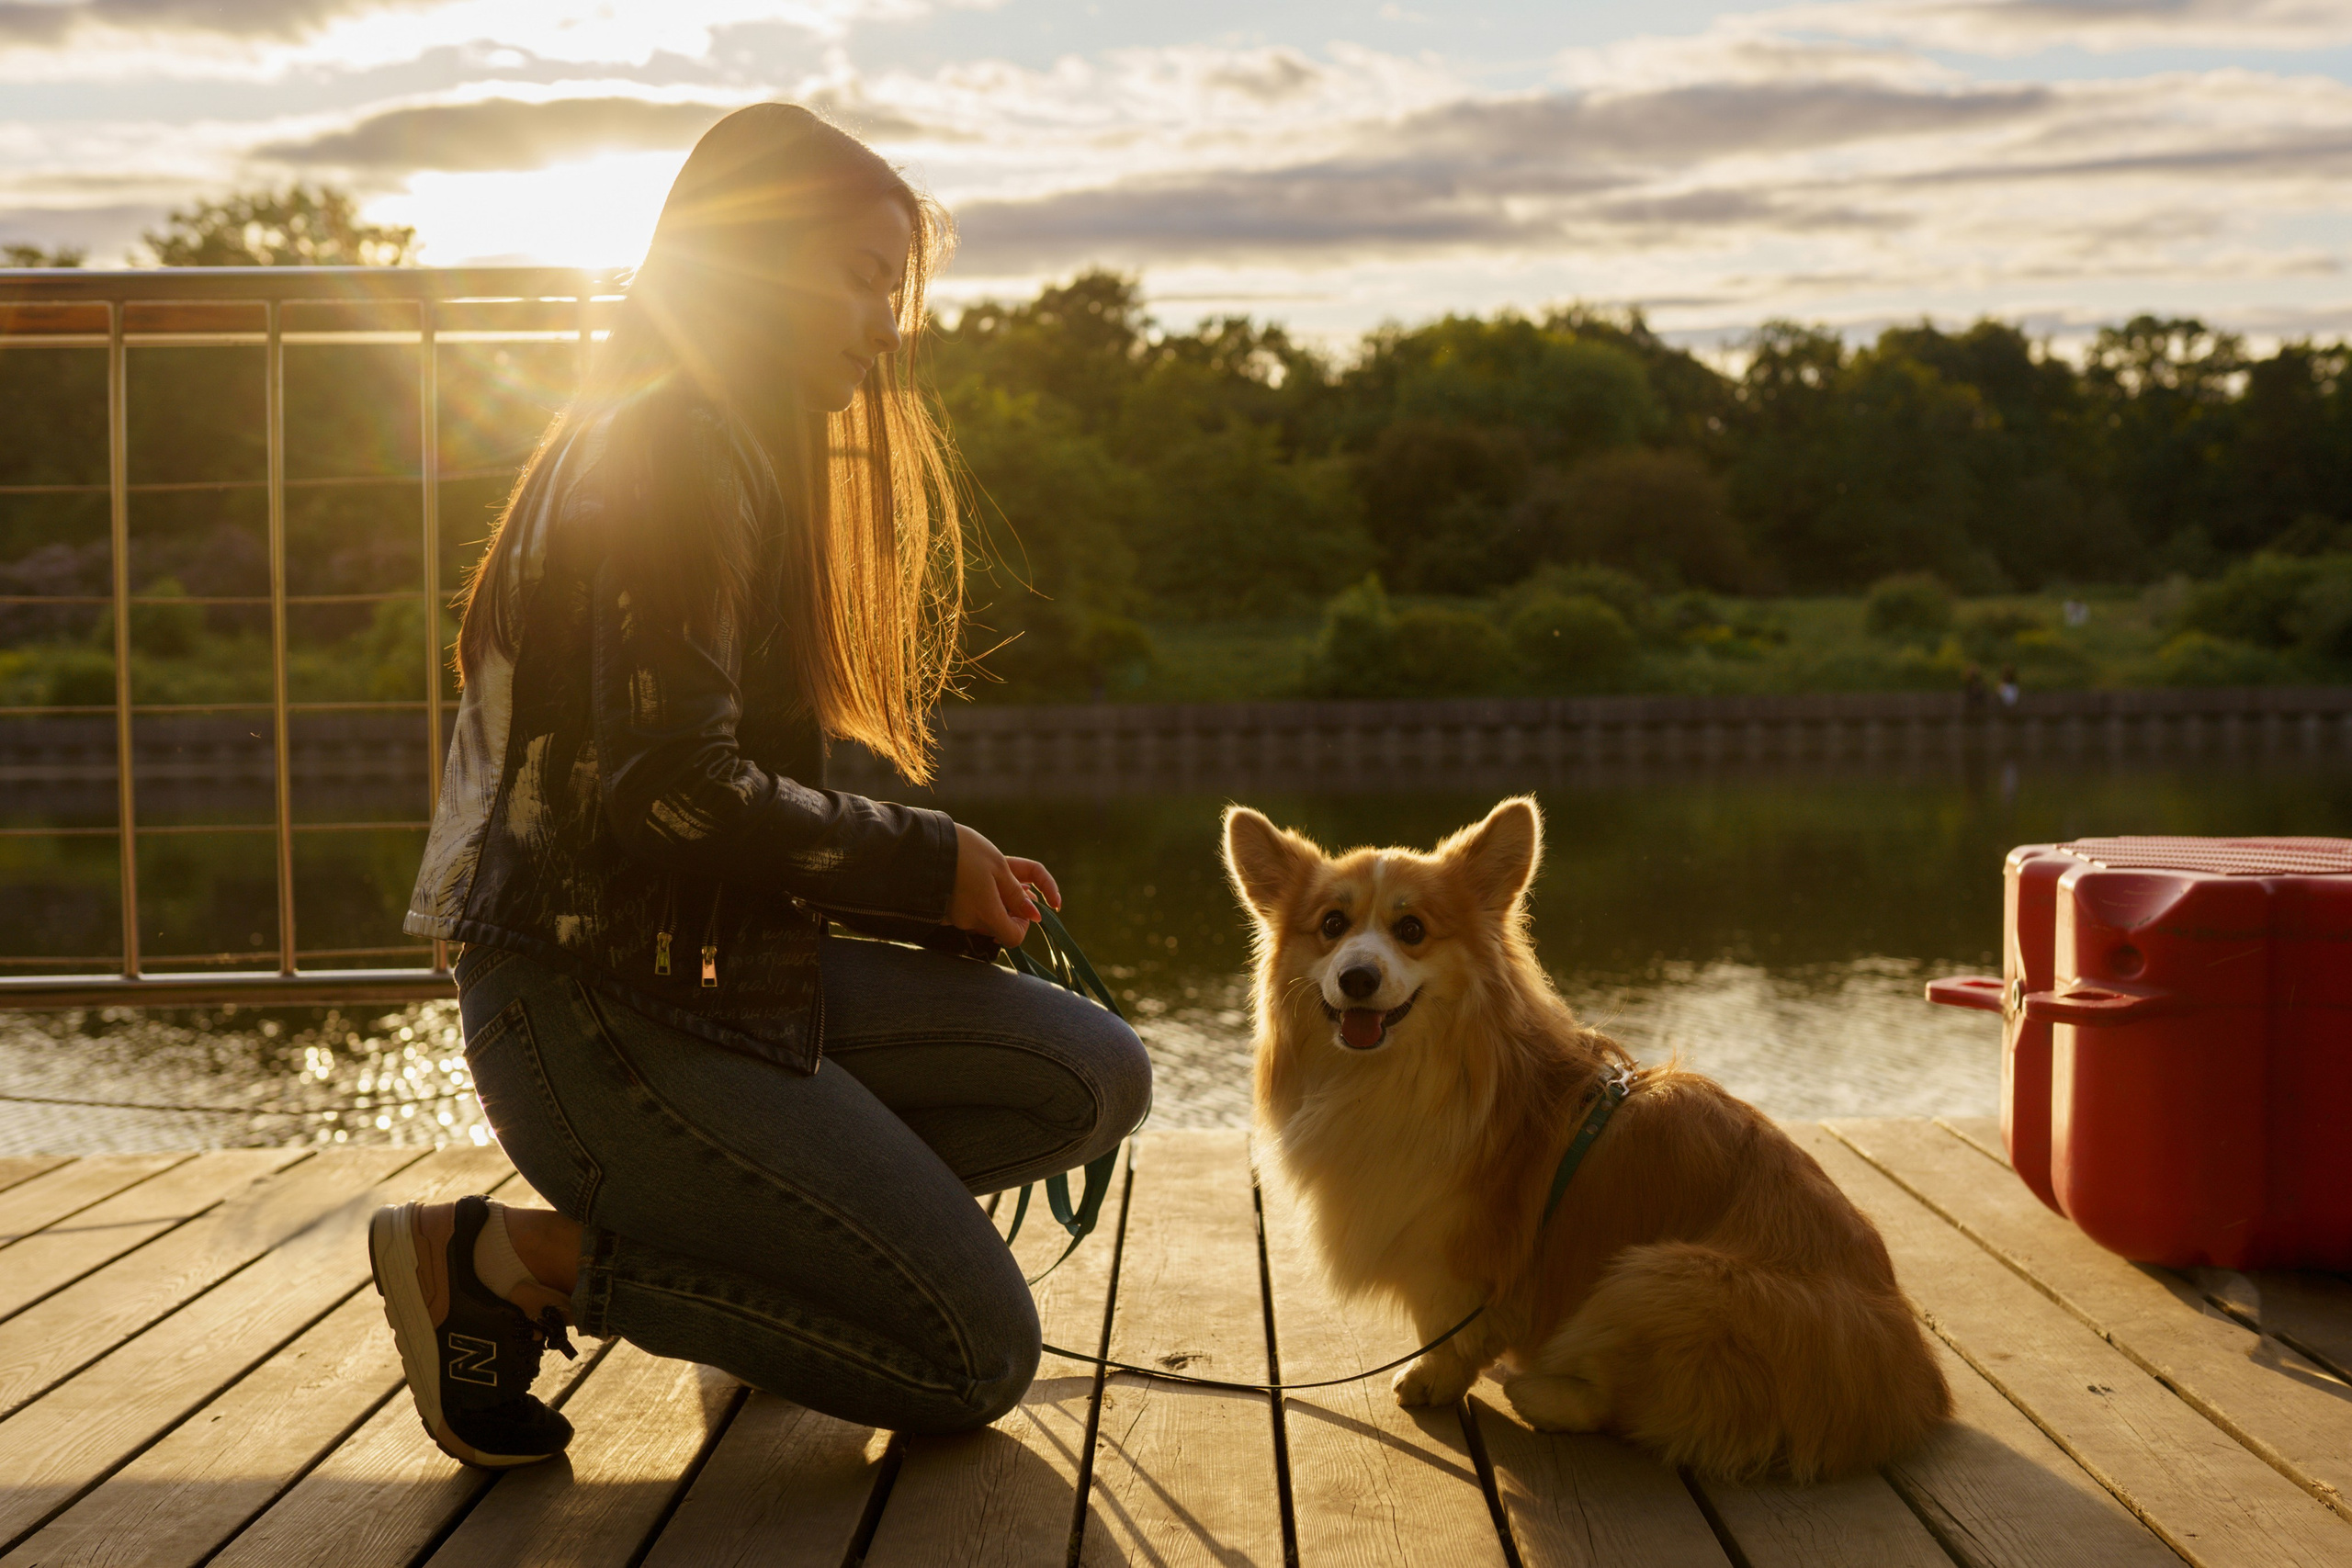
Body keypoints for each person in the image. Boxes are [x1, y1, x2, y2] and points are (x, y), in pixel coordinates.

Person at [368, 104, 1152, 1469]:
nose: (884, 327)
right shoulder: (677, 446)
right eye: (860, 278)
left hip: (710, 977)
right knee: (970, 1359)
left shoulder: (706, 436)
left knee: (1087, 1073)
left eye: (893, 292)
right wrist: (927, 861)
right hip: (595, 1014)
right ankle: (506, 1263)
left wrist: (931, 887)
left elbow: (697, 813)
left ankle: (776, 1263)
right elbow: (672, 794)